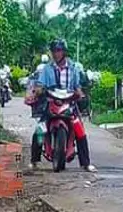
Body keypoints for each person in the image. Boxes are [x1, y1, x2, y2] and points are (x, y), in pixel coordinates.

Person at [29, 39, 95, 171]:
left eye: (58, 50)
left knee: (79, 130)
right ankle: (34, 160)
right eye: (54, 51)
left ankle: (86, 163)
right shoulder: (47, 69)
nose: (56, 54)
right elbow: (41, 84)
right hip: (51, 101)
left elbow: (77, 86)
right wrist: (37, 91)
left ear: (64, 52)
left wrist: (80, 95)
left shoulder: (74, 68)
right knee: (39, 130)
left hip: (69, 102)